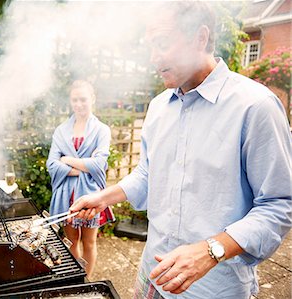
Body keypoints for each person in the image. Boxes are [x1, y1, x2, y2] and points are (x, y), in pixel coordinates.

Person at [70, 2, 292, 298]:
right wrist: (103, 197)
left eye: (162, 44)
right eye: (150, 47)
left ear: (200, 38)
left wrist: (211, 250)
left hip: (214, 288)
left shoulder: (255, 106)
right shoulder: (158, 107)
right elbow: (150, 173)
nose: (152, 58)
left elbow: (279, 205)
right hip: (153, 275)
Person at [47, 80, 113, 277]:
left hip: (91, 194)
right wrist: (83, 167)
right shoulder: (61, 131)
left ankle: (87, 278)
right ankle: (75, 277)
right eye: (74, 100)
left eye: (83, 99)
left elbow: (99, 164)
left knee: (89, 242)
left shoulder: (102, 130)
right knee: (72, 241)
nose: (79, 104)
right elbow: (51, 164)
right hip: (67, 195)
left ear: (92, 99)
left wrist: (67, 160)